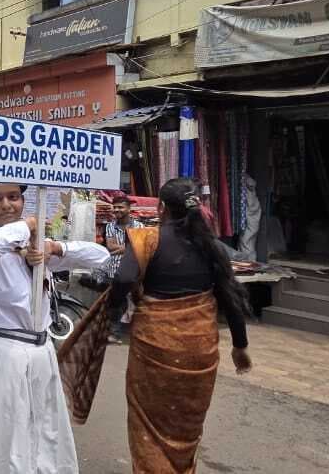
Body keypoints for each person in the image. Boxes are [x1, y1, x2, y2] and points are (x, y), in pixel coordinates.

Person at [0, 182, 110, 474]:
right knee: (6, 440)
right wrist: (29, 227)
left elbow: (100, 256)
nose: (6, 205)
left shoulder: (37, 246)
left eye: (14, 197)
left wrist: (52, 247)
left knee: (44, 432)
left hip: (41, 352)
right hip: (4, 354)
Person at [110, 178, 252, 473]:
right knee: (185, 430)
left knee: (148, 424)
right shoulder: (212, 246)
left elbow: (123, 279)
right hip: (200, 351)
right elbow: (231, 298)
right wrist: (240, 347)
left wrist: (110, 313)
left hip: (154, 349)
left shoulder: (147, 239)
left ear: (161, 208)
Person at [98, 194, 143, 343]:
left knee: (139, 301)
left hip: (133, 271)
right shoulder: (110, 226)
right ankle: (115, 333)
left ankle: (140, 332)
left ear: (129, 209)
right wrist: (128, 248)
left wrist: (126, 249)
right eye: (115, 207)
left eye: (121, 207)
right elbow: (110, 247)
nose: (117, 210)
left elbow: (139, 248)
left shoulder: (139, 226)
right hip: (114, 270)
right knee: (116, 302)